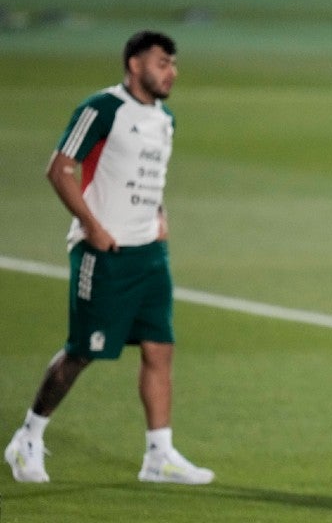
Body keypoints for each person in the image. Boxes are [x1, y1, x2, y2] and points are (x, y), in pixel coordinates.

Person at [4, 30, 214, 485]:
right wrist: (93, 228)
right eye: (162, 62)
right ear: (135, 65)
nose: (171, 72)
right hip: (104, 253)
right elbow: (60, 168)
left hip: (149, 255)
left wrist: (160, 215)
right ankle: (28, 437)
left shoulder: (165, 119)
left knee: (160, 348)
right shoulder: (102, 109)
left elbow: (147, 176)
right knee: (82, 351)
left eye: (174, 64)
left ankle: (159, 455)